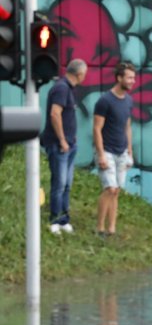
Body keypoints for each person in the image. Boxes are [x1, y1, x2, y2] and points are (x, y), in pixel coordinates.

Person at [40, 59, 88, 235]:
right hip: (59, 145)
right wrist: (62, 140)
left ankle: (64, 219)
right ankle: (54, 220)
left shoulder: (67, 88)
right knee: (59, 184)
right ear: (79, 74)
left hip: (69, 144)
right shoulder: (61, 88)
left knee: (67, 184)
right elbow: (55, 114)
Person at [93, 62, 136, 238]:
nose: (133, 81)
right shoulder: (104, 101)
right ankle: (100, 228)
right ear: (119, 78)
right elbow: (96, 128)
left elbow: (128, 127)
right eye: (129, 78)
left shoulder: (128, 101)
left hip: (122, 152)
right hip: (107, 151)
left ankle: (112, 229)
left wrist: (130, 152)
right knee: (109, 189)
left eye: (133, 78)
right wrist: (101, 154)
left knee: (116, 190)